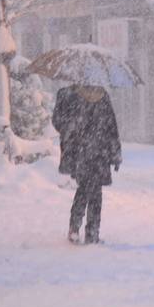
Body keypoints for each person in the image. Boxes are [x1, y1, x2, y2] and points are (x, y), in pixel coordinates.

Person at [52, 84, 122, 245]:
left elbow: (57, 122)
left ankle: (74, 229)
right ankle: (92, 233)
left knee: (83, 189)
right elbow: (112, 127)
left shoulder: (68, 94)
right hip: (99, 151)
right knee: (96, 193)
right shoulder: (102, 96)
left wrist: (72, 127)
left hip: (79, 151)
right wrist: (115, 153)